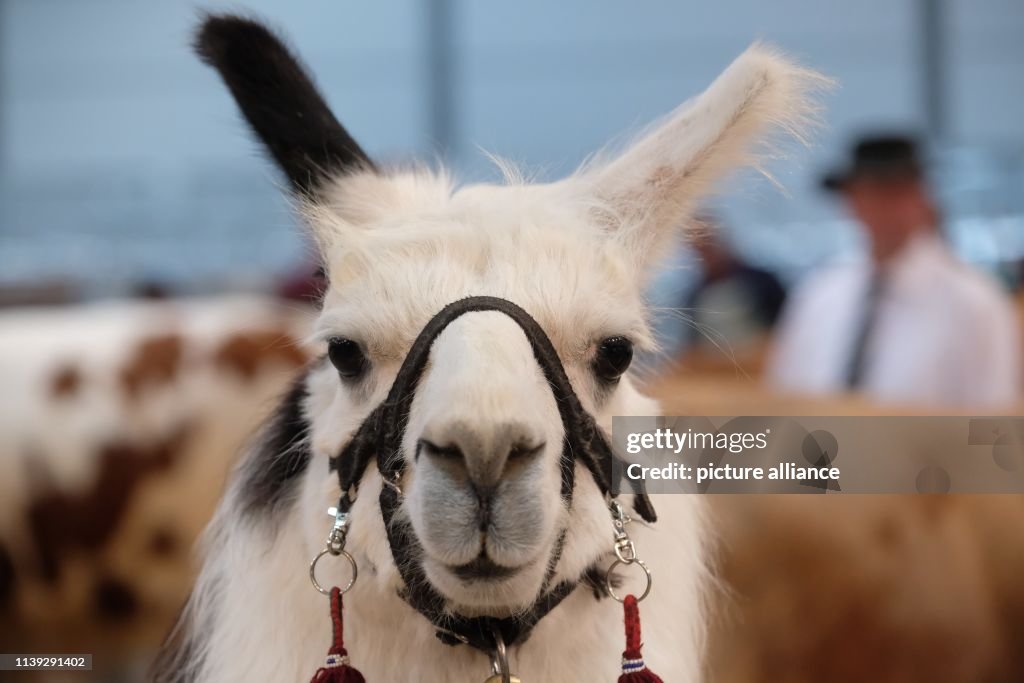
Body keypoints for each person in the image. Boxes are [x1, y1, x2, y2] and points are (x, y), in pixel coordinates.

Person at [766, 135, 1021, 408]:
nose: (881, 207)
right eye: (869, 193)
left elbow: (994, 417)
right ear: (851, 201)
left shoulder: (973, 302)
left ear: (921, 199)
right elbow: (784, 394)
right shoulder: (820, 292)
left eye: (894, 193)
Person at [680, 215, 787, 353]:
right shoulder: (695, 295)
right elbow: (694, 342)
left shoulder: (762, 282)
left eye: (709, 244)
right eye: (700, 249)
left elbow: (785, 327)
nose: (707, 254)